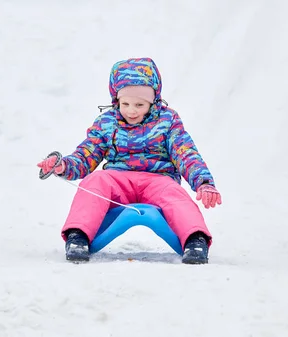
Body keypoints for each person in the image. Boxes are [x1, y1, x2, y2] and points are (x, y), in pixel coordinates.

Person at [37, 57, 222, 264]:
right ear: (116, 100)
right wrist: (63, 166)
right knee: (96, 181)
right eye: (125, 103)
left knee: (174, 193)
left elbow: (185, 153)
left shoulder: (167, 121)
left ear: (154, 101)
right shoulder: (107, 122)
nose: (131, 110)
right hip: (118, 180)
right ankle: (78, 235)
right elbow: (87, 153)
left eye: (140, 104)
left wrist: (204, 183)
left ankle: (195, 238)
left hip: (158, 180)